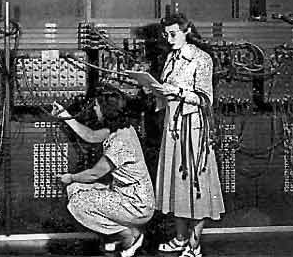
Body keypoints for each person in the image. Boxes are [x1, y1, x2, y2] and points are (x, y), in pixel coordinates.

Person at [150, 13, 225, 257]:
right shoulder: (171, 57)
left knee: (197, 185)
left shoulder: (201, 59)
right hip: (172, 128)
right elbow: (166, 91)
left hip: (193, 130)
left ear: (187, 31)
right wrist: (154, 89)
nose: (169, 39)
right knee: (176, 184)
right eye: (166, 34)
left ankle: (194, 245)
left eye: (173, 34)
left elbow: (205, 99)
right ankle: (181, 237)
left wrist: (177, 91)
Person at [52, 92, 155, 257]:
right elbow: (90, 136)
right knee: (75, 188)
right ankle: (121, 234)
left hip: (137, 205)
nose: (95, 108)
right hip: (129, 197)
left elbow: (93, 174)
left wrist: (70, 177)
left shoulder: (120, 141)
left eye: (97, 106)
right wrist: (64, 114)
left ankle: (128, 236)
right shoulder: (122, 128)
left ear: (107, 110)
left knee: (78, 203)